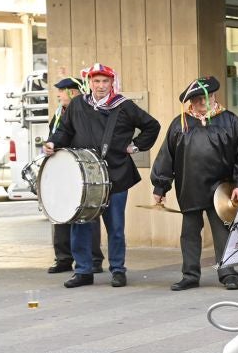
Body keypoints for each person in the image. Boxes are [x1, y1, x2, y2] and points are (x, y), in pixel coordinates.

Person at [44, 63, 160, 289]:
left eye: (105, 81)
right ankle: (83, 270)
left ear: (111, 82)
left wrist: (135, 146)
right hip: (84, 176)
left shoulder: (123, 106)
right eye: (96, 81)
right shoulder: (78, 104)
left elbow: (151, 126)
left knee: (115, 226)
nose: (100, 86)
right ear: (89, 82)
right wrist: (53, 143)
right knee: (80, 223)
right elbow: (65, 131)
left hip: (115, 173)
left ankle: (118, 270)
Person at [150, 76, 238, 292]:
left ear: (214, 96)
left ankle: (228, 273)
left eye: (204, 97)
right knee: (189, 233)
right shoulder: (180, 123)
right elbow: (166, 156)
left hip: (221, 188)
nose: (201, 102)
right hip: (190, 186)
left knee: (222, 232)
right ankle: (190, 274)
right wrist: (160, 187)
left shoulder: (229, 120)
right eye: (196, 99)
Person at [45, 76, 103, 276]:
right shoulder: (59, 114)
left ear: (75, 92)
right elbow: (56, 135)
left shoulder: (86, 112)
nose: (59, 94)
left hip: (82, 170)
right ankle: (63, 258)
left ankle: (94, 259)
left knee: (88, 214)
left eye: (63, 90)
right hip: (61, 170)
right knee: (59, 212)